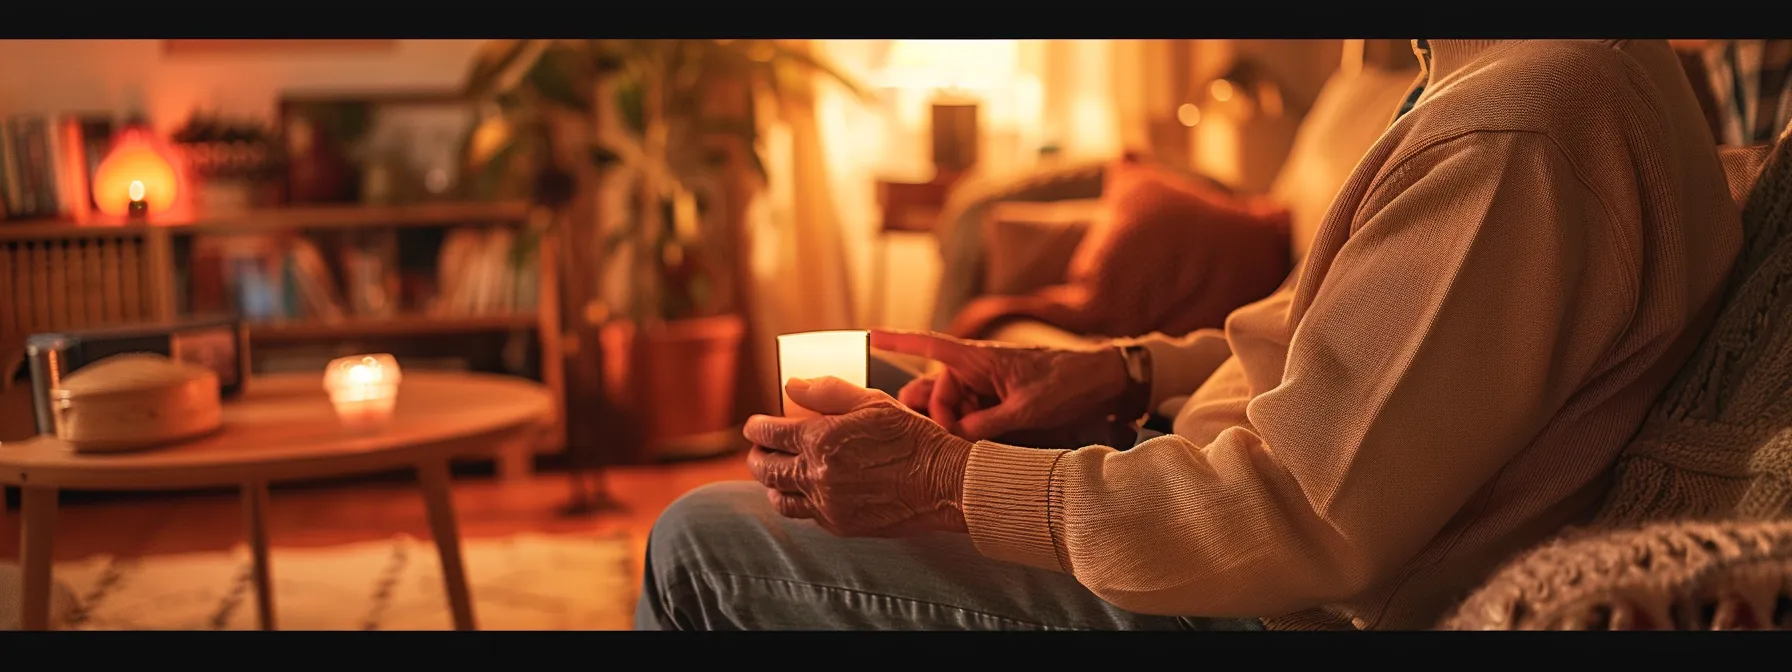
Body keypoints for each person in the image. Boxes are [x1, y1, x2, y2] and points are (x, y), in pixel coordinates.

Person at [634, 40, 1744, 631]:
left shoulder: (1520, 126)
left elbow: (1301, 516)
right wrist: (1117, 376)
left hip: (1284, 608)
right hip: (1236, 540)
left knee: (699, 541)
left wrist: (948, 483)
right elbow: (1336, 345)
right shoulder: (1487, 78)